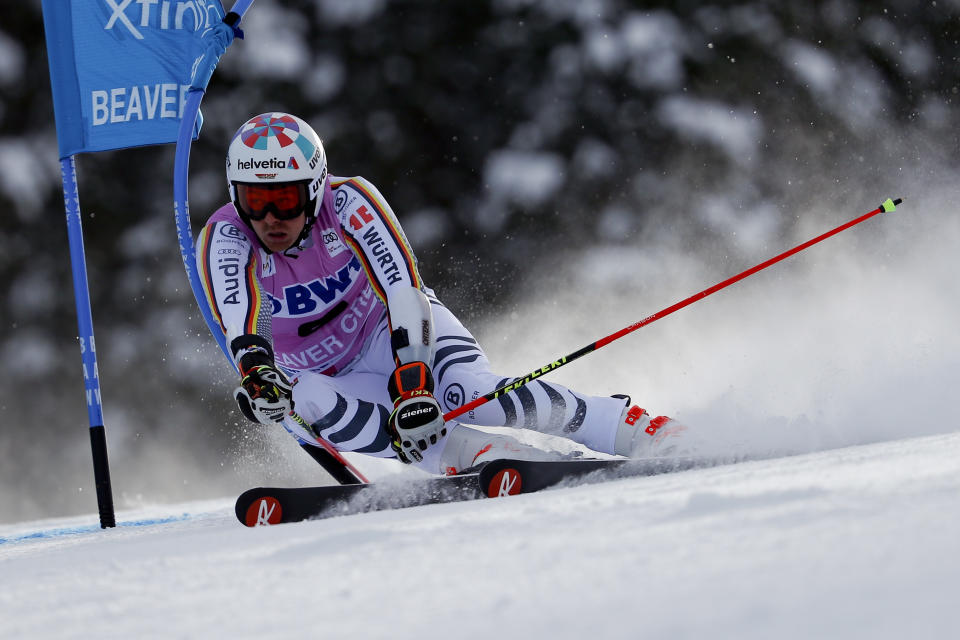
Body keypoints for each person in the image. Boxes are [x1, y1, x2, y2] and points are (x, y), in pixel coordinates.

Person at [197, 112, 686, 476]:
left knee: (468, 395)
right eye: (254, 201)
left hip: (393, 336)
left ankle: (628, 426)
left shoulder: (349, 203)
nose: (269, 219)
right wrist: (260, 378)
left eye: (283, 199)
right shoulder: (224, 238)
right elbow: (240, 325)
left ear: (315, 187)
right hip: (325, 374)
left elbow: (402, 289)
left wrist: (413, 384)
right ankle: (474, 456)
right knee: (295, 397)